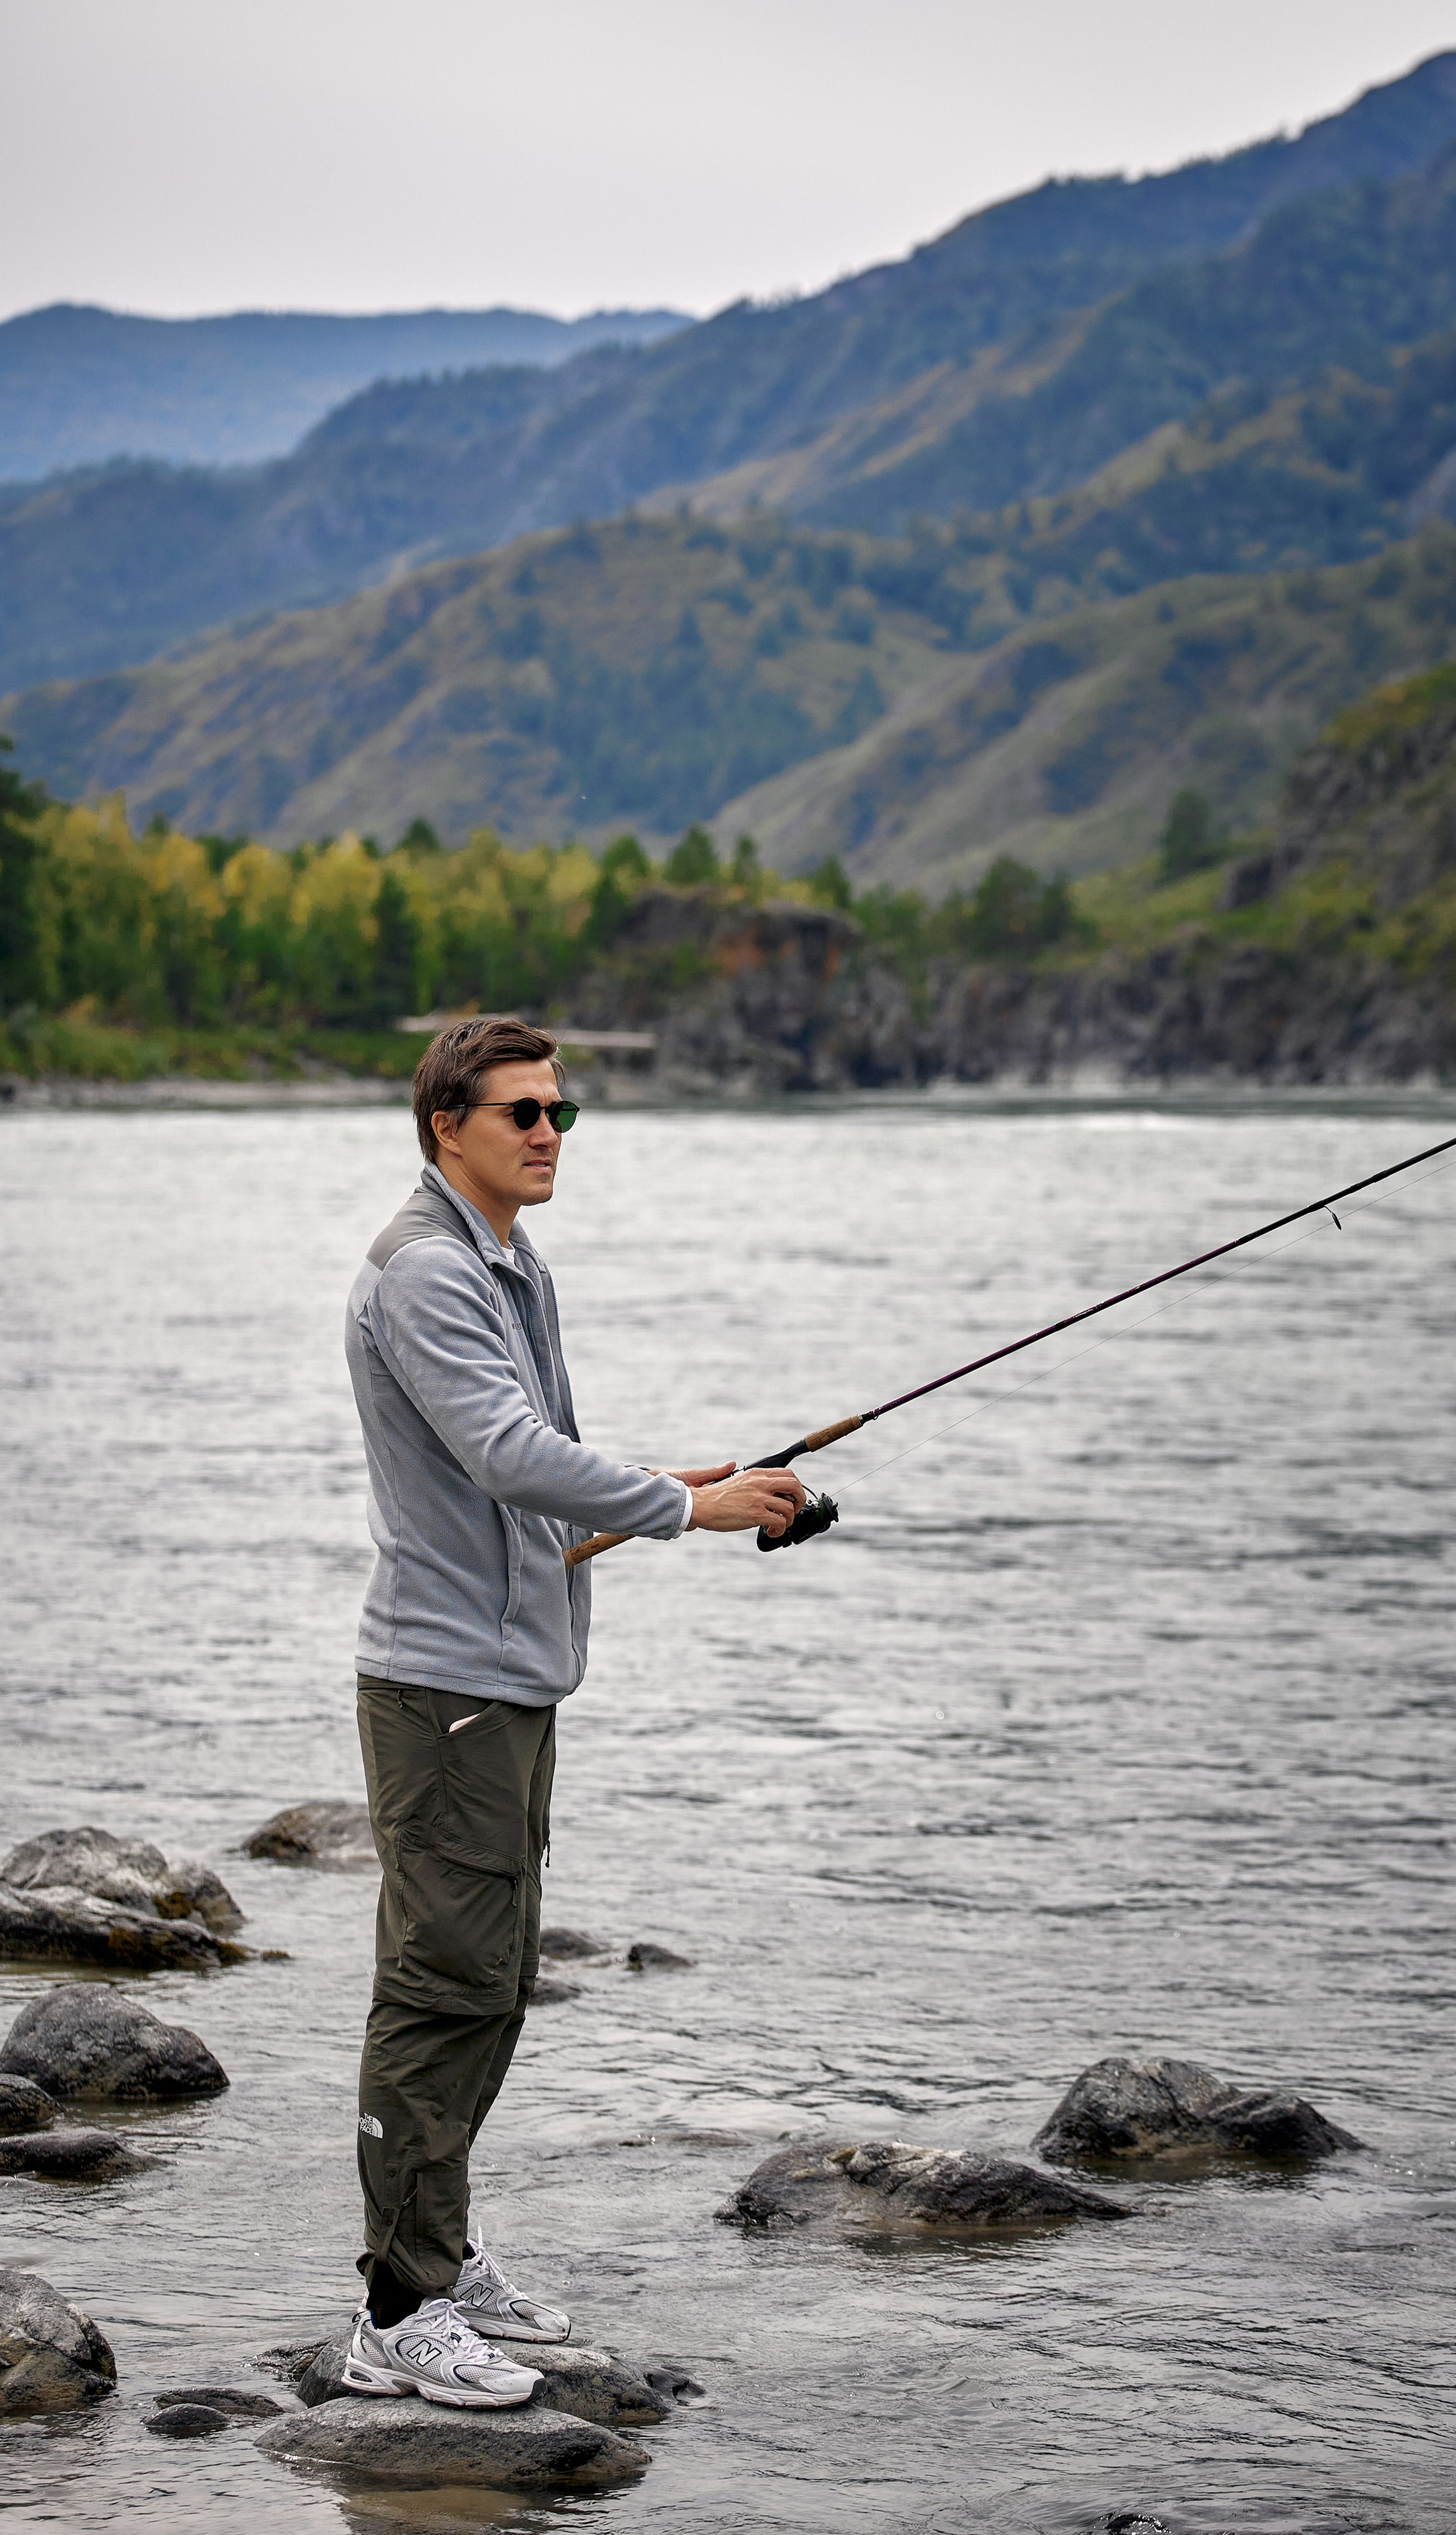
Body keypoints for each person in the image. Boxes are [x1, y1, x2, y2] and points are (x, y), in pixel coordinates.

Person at [339, 1016, 805, 2407]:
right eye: (521, 1113)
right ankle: (394, 2313)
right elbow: (506, 1453)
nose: (548, 1133)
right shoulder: (428, 1272)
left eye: (561, 1111)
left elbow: (516, 1482)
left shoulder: (502, 1259)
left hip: (498, 1682)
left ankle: (437, 2249)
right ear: (447, 1128)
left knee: (489, 1987)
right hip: (446, 1692)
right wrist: (682, 1506)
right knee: (440, 1994)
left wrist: (690, 1484)